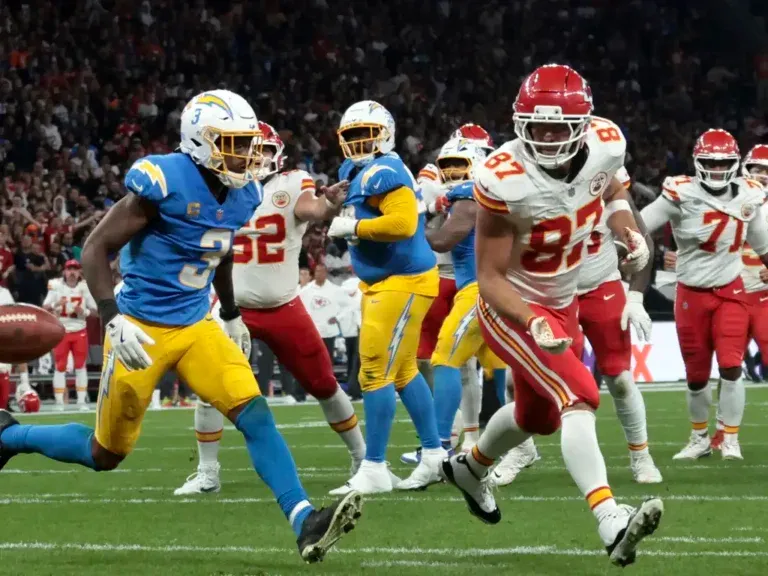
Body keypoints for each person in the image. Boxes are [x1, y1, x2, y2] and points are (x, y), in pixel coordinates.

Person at [0, 90, 362, 564]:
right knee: (105, 453)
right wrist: (113, 319)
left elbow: (223, 247)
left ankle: (303, 521)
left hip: (195, 325)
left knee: (254, 413)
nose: (244, 154)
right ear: (199, 141)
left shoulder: (244, 192)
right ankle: (9, 436)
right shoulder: (163, 180)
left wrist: (229, 313)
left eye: (245, 143)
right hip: (141, 330)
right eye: (231, 143)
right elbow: (94, 248)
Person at [439, 64, 663, 567]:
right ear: (519, 123)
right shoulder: (503, 178)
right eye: (535, 126)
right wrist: (530, 318)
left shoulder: (607, 145)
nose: (544, 137)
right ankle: (610, 520)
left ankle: (470, 469)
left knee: (535, 416)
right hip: (512, 308)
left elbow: (612, 193)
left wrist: (626, 229)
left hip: (563, 301)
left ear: (582, 125)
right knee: (579, 392)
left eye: (557, 127)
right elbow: (490, 277)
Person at [175, 121, 365, 496]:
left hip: (283, 305)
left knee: (325, 384)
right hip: (234, 308)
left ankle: (364, 459)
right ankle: (207, 471)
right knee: (208, 386)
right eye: (250, 149)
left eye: (261, 150)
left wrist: (328, 203)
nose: (254, 157)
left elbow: (312, 208)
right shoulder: (221, 185)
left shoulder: (292, 182)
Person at [327, 99, 444, 494]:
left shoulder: (387, 169)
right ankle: (433, 456)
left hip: (403, 279)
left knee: (374, 371)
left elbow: (402, 222)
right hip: (386, 281)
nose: (360, 142)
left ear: (385, 135)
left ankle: (374, 466)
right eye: (353, 135)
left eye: (367, 134)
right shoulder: (357, 170)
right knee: (404, 371)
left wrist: (353, 227)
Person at [640, 130, 768, 461]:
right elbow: (640, 227)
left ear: (734, 164)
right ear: (697, 163)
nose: (714, 169)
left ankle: (731, 439)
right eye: (709, 162)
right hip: (690, 294)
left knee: (730, 365)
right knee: (696, 375)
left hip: (730, 290)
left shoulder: (749, 197)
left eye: (722, 163)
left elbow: (765, 245)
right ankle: (699, 438)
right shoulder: (678, 193)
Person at [418, 138, 508, 455]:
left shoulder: (469, 196)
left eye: (460, 164)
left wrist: (416, 224)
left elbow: (443, 241)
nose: (454, 172)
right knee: (498, 372)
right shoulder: (482, 194)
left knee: (445, 358)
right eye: (448, 166)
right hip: (495, 287)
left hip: (479, 289)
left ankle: (439, 446)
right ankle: (517, 449)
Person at [42, 259, 97, 411]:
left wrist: (84, 312)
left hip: (79, 330)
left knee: (80, 366)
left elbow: (96, 311)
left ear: (79, 272)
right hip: (61, 331)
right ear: (64, 271)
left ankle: (81, 402)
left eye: (75, 269)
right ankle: (59, 402)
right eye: (69, 269)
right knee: (60, 366)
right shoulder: (55, 285)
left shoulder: (85, 287)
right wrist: (55, 305)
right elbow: (44, 307)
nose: (72, 272)